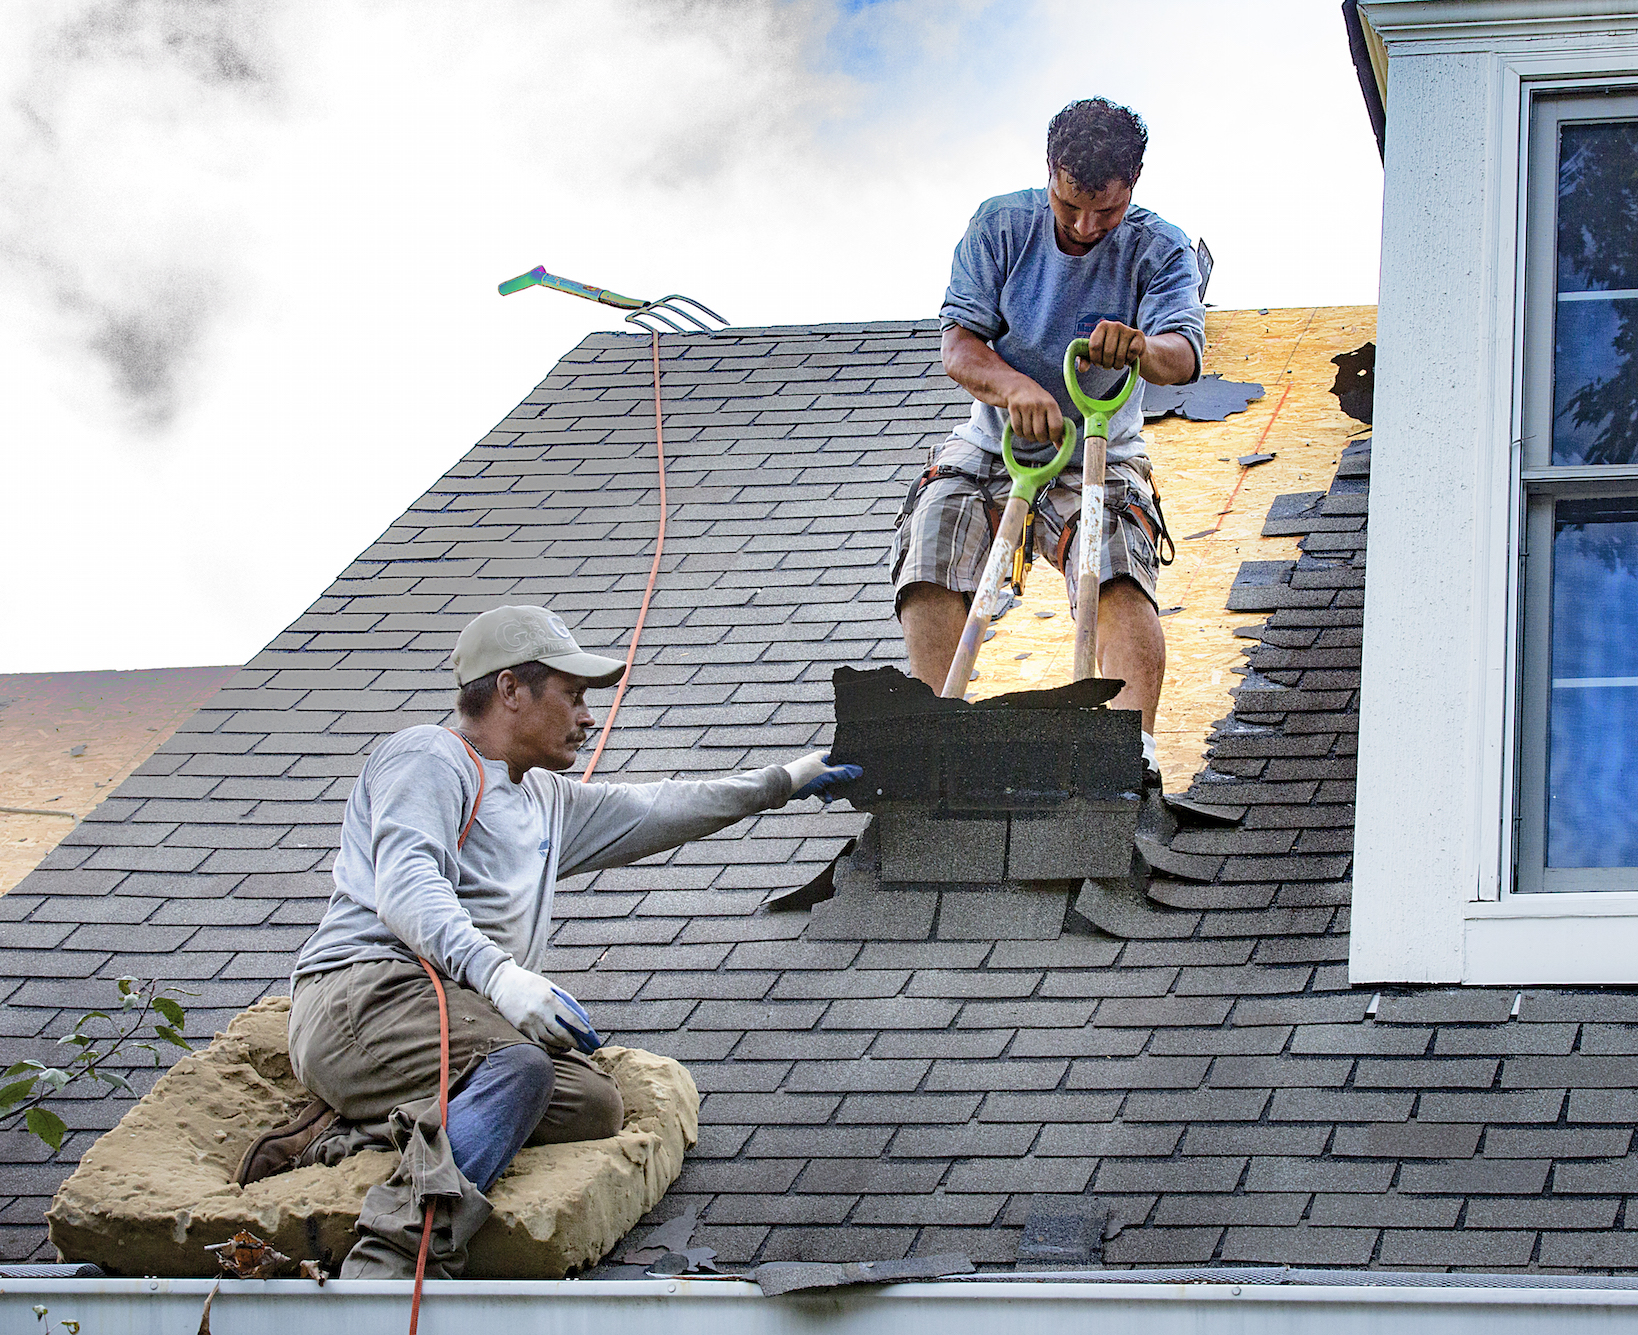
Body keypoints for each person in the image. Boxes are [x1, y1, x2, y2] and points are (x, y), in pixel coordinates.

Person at [242, 604, 857, 1278]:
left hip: (452, 1018)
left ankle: (342, 1129)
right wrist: (502, 976)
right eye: (572, 694)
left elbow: (661, 806)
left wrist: (788, 779)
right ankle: (398, 1248)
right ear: (510, 689)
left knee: (593, 1103)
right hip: (365, 995)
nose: (587, 716)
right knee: (520, 1068)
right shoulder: (430, 757)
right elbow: (408, 887)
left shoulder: (547, 801)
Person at [891, 97, 1206, 775]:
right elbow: (958, 347)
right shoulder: (1000, 224)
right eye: (1070, 207)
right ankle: (937, 739)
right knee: (933, 533)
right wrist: (1015, 388)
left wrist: (1141, 348)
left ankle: (1129, 756)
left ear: (1135, 186)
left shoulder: (1161, 248)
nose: (1087, 226)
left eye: (1108, 211)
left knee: (1117, 563)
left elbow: (1182, 356)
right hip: (994, 439)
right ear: (1049, 174)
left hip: (1101, 445)